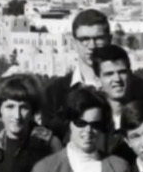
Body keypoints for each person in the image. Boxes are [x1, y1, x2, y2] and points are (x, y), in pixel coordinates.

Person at [42, 9, 114, 138]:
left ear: (109, 40)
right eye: (84, 39)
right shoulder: (54, 93)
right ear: (73, 43)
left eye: (98, 38)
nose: (92, 45)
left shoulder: (130, 88)